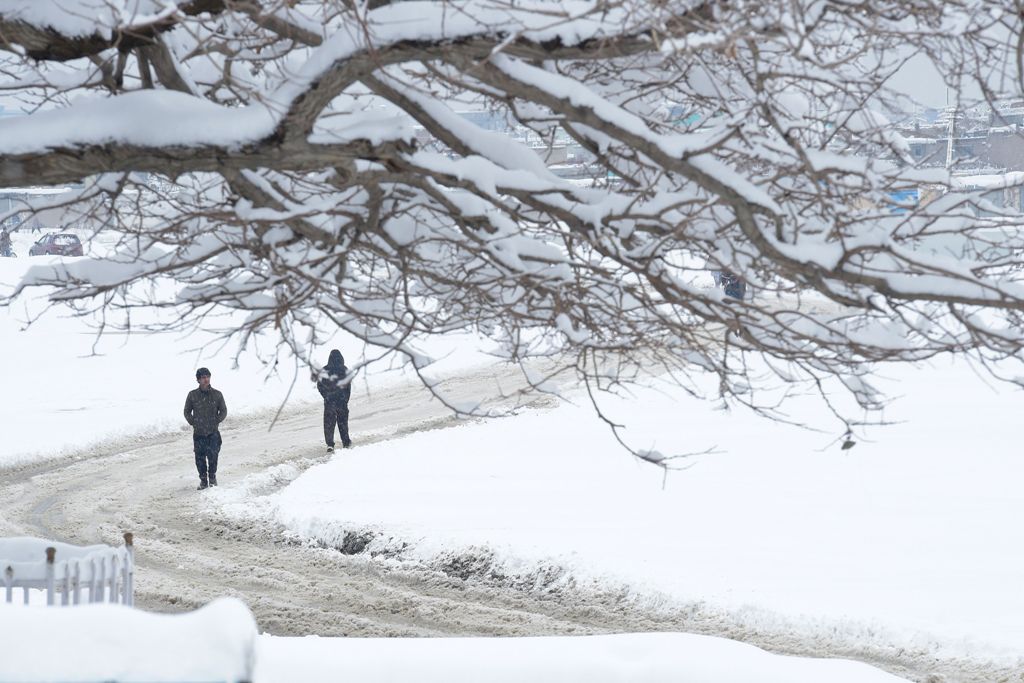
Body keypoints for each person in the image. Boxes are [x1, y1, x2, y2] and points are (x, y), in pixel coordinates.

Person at [183, 367, 227, 490]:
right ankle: (203, 480)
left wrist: (216, 420)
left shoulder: (217, 394)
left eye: (207, 376)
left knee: (213, 456)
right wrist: (193, 422)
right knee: (200, 459)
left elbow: (223, 410)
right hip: (199, 434)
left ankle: (212, 478)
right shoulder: (192, 395)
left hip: (213, 433)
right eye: (203, 377)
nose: (206, 379)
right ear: (198, 380)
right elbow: (186, 411)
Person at [317, 349, 352, 452]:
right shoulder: (344, 369)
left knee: (329, 423)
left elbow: (320, 385)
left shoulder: (325, 370)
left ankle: (330, 444)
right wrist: (345, 399)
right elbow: (348, 386)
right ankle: (346, 442)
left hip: (330, 401)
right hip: (341, 401)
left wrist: (326, 396)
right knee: (343, 423)